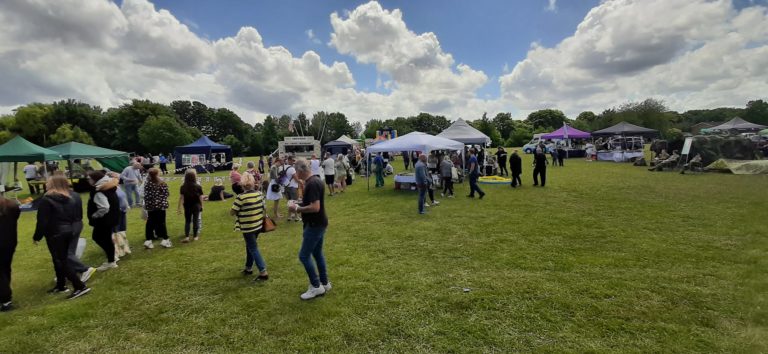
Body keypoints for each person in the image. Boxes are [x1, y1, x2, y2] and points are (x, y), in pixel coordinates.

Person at [33, 175, 91, 300]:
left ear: (53, 184)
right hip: (68, 231)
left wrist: (37, 236)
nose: (46, 184)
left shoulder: (47, 199)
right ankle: (61, 285)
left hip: (55, 233)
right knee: (59, 259)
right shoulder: (70, 197)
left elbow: (42, 221)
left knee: (62, 261)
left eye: (48, 182)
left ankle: (80, 286)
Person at [288, 159, 330, 300]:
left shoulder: (311, 184)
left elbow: (315, 207)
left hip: (314, 224)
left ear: (300, 170)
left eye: (296, 171)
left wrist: (297, 208)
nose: (295, 174)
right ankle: (325, 282)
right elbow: (312, 203)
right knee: (317, 253)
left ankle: (316, 286)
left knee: (304, 256)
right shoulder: (316, 180)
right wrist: (298, 203)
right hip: (319, 222)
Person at [230, 173, 269, 281]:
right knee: (250, 246)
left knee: (253, 248)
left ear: (242, 184)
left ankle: (263, 272)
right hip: (258, 225)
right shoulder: (259, 194)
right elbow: (264, 208)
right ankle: (248, 267)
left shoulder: (241, 197)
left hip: (247, 227)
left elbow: (232, 212)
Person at [86, 170, 120, 271]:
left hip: (104, 220)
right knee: (106, 238)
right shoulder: (109, 185)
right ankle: (112, 257)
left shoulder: (99, 191)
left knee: (98, 237)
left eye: (89, 178)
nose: (88, 180)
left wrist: (94, 216)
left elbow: (104, 207)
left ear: (95, 179)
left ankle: (111, 260)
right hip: (111, 218)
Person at [143, 168, 171, 249]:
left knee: (150, 222)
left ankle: (148, 240)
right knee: (161, 223)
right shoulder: (162, 183)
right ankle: (165, 239)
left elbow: (146, 195)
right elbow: (166, 194)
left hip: (150, 206)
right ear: (157, 174)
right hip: (160, 206)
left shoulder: (147, 183)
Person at [0, 196, 20, 311]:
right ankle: (5, 294)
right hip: (10, 242)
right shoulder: (12, 205)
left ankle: (5, 299)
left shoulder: (11, 206)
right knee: (5, 268)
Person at [178, 169, 204, 243]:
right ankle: (195, 236)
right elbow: (200, 197)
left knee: (187, 221)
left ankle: (187, 236)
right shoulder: (198, 186)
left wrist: (179, 207)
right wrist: (202, 206)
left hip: (187, 205)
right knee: (195, 220)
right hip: (196, 205)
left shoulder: (182, 187)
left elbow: (182, 198)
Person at [110, 172, 131, 258]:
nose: (118, 180)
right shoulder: (110, 189)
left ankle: (125, 247)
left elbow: (123, 197)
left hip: (123, 211)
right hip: (115, 213)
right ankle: (118, 251)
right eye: (116, 178)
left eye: (118, 178)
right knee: (116, 232)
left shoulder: (118, 187)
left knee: (122, 230)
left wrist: (127, 205)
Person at [284, 157, 301, 222]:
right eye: (293, 161)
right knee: (294, 203)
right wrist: (301, 182)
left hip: (286, 187)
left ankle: (289, 216)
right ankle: (296, 217)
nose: (294, 162)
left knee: (290, 202)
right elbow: (296, 179)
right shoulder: (292, 169)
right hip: (293, 187)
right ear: (289, 160)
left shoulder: (284, 167)